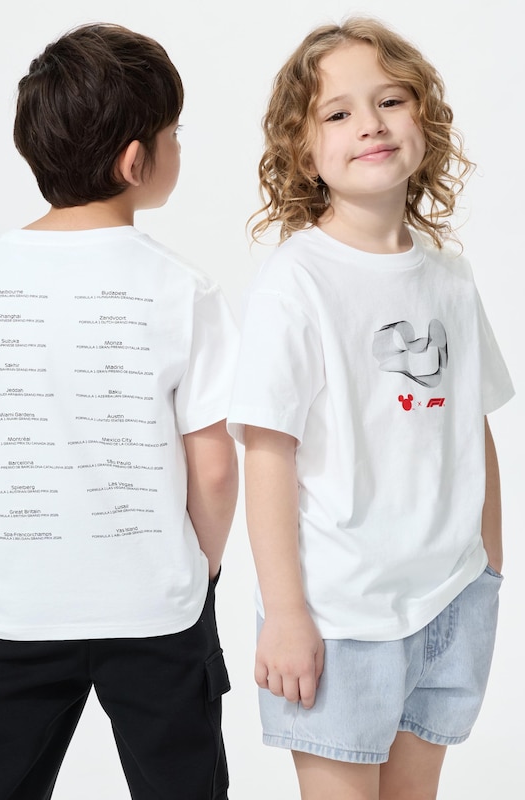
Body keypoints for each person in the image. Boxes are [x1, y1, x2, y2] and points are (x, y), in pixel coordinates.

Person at [0, 23, 238, 800]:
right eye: (172, 135)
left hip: (20, 610)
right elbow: (214, 467)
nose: (176, 147)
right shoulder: (184, 290)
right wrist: (201, 569)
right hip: (157, 611)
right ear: (136, 161)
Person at [227, 16, 514, 800]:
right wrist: (285, 612)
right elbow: (268, 453)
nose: (371, 124)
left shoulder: (450, 276)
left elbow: (472, 421)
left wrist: (489, 565)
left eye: (390, 100)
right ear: (303, 151)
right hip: (340, 614)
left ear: (425, 118)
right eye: (338, 112)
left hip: (452, 598)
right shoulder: (297, 282)